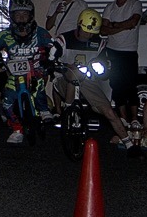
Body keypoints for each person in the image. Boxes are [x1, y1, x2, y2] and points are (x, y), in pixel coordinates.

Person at [53, 9, 132, 147]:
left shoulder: (99, 43)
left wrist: (100, 67)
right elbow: (50, 58)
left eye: (92, 32)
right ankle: (68, 109)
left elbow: (104, 68)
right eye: (86, 31)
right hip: (64, 79)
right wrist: (59, 65)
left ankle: (128, 143)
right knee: (74, 73)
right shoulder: (63, 40)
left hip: (87, 80)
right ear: (79, 25)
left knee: (109, 111)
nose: (89, 35)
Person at [0, 0, 57, 144]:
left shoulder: (40, 33)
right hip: (14, 74)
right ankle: (17, 129)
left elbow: (52, 45)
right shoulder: (5, 34)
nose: (21, 18)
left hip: (35, 70)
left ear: (31, 16)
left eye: (25, 14)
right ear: (12, 16)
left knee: (39, 86)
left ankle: (43, 110)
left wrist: (49, 56)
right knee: (7, 102)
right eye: (17, 14)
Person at [100, 0, 143, 124]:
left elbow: (133, 22)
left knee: (130, 86)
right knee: (117, 85)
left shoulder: (135, 4)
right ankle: (123, 118)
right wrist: (120, 26)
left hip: (129, 51)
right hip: (112, 51)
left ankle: (135, 119)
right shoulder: (109, 7)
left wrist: (114, 25)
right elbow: (102, 30)